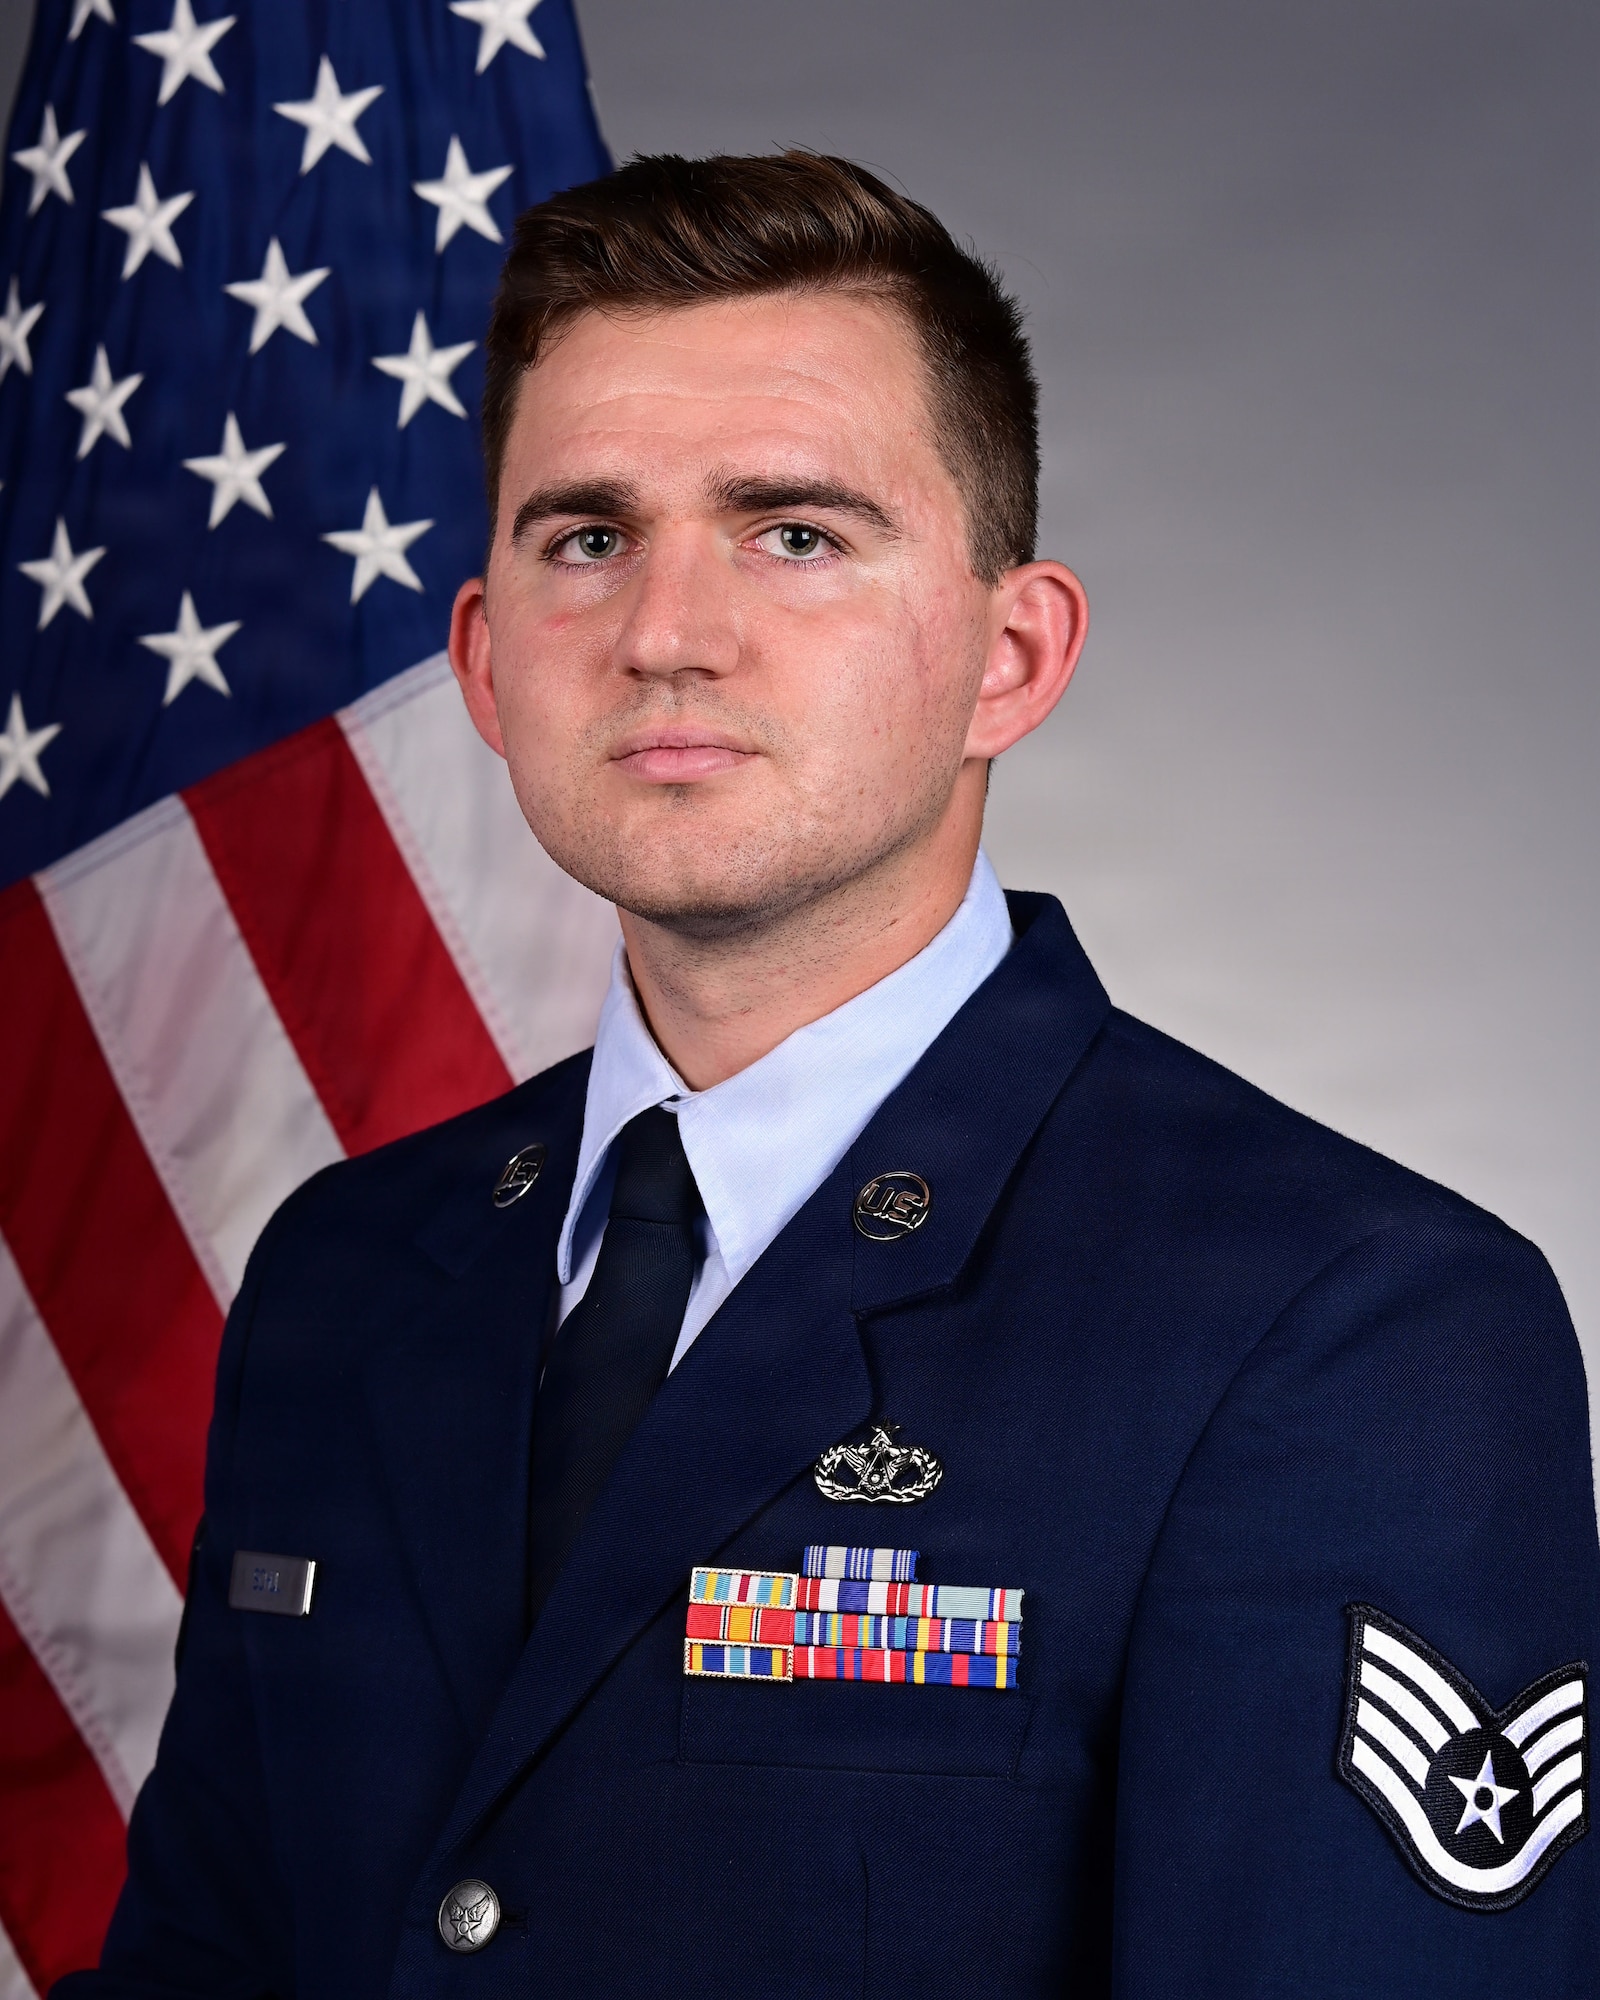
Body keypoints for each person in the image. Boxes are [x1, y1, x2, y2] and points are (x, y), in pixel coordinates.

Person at [61, 152, 1596, 2000]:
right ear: (482, 661)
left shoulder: (1347, 1330)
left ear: (1008, 660)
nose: (667, 631)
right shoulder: (351, 1273)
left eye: (796, 532)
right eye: (586, 536)